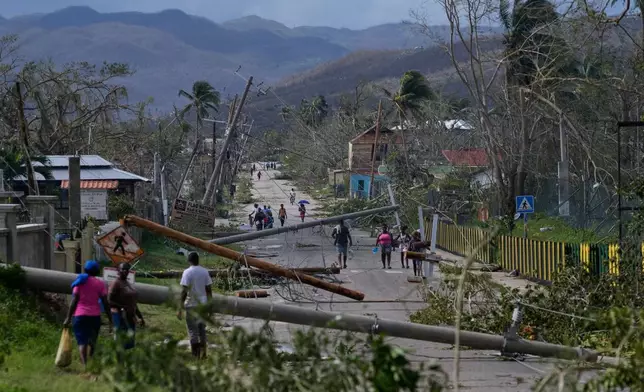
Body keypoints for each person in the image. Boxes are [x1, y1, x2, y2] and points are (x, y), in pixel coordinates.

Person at [64, 260, 112, 368]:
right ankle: (91, 358)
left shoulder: (80, 281)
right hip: (94, 316)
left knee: (82, 342)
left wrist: (68, 317)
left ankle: (85, 365)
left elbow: (74, 300)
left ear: (85, 270)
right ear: (97, 272)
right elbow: (105, 302)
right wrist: (110, 319)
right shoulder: (100, 284)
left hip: (80, 315)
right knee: (92, 340)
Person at [177, 252, 213, 359]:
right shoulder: (204, 271)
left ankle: (195, 355)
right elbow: (209, 291)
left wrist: (180, 307)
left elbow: (184, 291)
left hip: (191, 305)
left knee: (193, 331)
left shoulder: (187, 272)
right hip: (203, 304)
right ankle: (203, 354)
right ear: (198, 260)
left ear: (189, 261)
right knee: (202, 330)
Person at [108, 262, 145, 350]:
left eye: (127, 269)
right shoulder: (116, 283)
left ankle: (127, 361)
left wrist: (140, 316)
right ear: (118, 270)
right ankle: (119, 361)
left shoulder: (127, 283)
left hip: (130, 316)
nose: (125, 271)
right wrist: (123, 306)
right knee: (121, 341)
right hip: (120, 316)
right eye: (123, 269)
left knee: (129, 342)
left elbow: (132, 302)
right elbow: (109, 300)